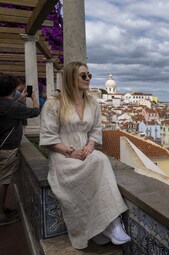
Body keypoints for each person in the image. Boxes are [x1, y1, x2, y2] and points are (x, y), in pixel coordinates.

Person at [39, 61, 131, 249]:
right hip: (62, 156)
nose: (88, 78)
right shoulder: (53, 103)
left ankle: (110, 225)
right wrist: (70, 152)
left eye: (89, 75)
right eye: (83, 75)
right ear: (71, 77)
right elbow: (49, 136)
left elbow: (96, 130)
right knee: (100, 163)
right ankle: (107, 226)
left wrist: (90, 144)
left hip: (85, 152)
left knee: (100, 159)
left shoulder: (92, 103)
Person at [0, 74, 40, 226]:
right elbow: (35, 112)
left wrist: (20, 99)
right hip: (8, 148)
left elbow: (9, 109)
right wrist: (34, 99)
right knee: (4, 181)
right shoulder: (13, 107)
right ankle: (1, 215)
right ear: (12, 90)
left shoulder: (8, 105)